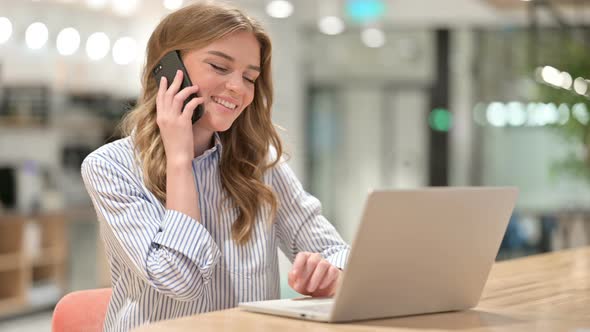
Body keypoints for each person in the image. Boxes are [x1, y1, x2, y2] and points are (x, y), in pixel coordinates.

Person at [81, 1, 350, 331]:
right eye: (220, 68)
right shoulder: (111, 167)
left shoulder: (259, 161)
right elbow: (180, 280)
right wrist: (180, 160)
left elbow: (337, 251)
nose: (238, 88)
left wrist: (330, 275)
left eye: (250, 77)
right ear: (168, 68)